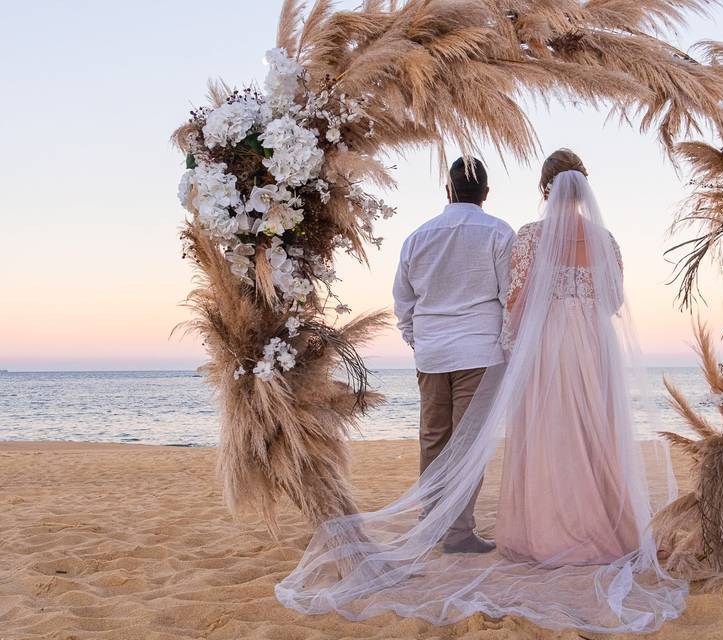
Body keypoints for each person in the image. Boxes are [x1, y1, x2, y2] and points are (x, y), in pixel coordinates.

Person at [277, 150, 686, 634]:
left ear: (543, 188)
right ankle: (551, 524)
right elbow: (609, 299)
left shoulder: (499, 237)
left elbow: (499, 298)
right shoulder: (580, 238)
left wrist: (458, 340)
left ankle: (459, 523)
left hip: (485, 347)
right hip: (574, 345)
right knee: (592, 430)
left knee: (466, 435)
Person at [391, 156, 515, 553]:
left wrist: (417, 339)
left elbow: (403, 300)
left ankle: (431, 525)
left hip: (431, 352)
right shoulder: (498, 233)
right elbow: (507, 297)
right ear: (486, 194)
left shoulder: (418, 237)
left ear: (447, 190)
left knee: (433, 439)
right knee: (467, 444)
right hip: (479, 350)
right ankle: (458, 533)